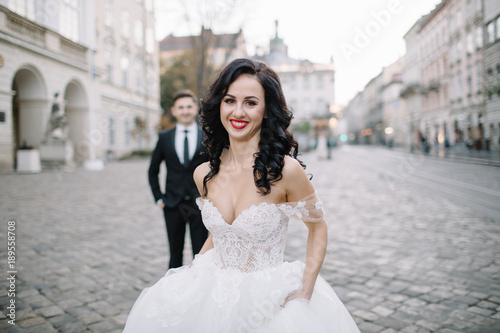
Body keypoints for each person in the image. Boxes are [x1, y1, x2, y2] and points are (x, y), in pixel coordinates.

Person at [125, 59, 360, 332]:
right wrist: (192, 271)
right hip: (212, 291)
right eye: (229, 100)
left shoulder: (285, 171)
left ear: (266, 110)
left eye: (250, 102)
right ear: (219, 105)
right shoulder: (204, 174)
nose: (238, 112)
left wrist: (306, 289)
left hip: (268, 299)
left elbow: (317, 227)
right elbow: (222, 233)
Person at [148, 89, 208, 269]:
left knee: (201, 255)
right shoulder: (164, 137)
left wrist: (210, 197)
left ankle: (200, 289)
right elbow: (153, 170)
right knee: (175, 255)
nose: (185, 111)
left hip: (198, 204)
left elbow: (216, 169)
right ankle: (173, 292)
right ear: (174, 111)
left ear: (196, 109)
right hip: (172, 204)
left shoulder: (206, 137)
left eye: (189, 106)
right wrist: (159, 198)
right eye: (181, 107)